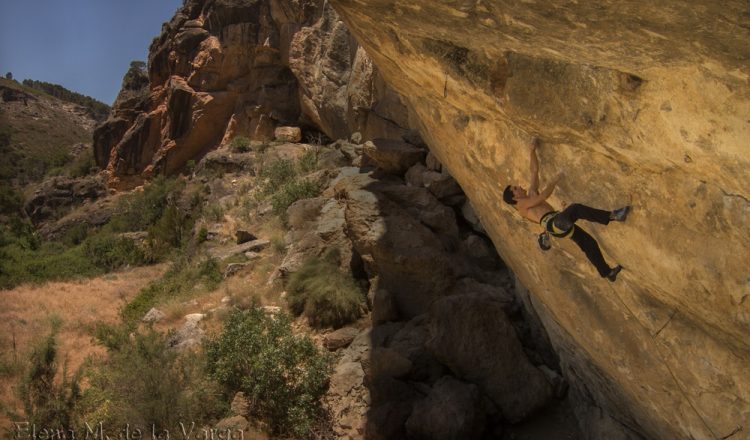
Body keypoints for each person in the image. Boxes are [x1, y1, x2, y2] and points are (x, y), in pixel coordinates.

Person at [502, 137, 630, 282]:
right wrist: (556, 179)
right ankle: (613, 216)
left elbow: (534, 171)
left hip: (559, 224)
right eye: (515, 188)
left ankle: (607, 273)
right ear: (515, 197)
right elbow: (543, 196)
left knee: (589, 243)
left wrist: (532, 150)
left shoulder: (530, 194)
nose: (518, 186)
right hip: (553, 224)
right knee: (576, 209)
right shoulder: (521, 206)